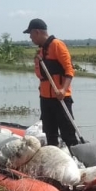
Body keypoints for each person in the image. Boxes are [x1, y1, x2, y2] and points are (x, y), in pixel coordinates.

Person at [23, 18, 78, 148]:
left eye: (30, 34)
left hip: (60, 98)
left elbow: (69, 70)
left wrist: (63, 90)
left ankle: (77, 160)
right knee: (50, 133)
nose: (30, 38)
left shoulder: (57, 45)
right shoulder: (41, 51)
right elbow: (43, 76)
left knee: (68, 134)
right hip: (46, 99)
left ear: (37, 32)